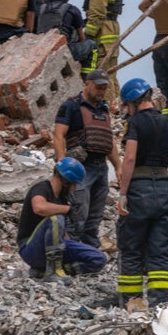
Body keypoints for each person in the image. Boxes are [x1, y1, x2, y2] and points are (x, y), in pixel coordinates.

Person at [116, 78, 168, 307]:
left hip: (138, 189)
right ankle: (159, 302)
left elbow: (129, 158)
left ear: (132, 102)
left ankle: (131, 301)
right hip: (163, 192)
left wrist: (123, 193)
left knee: (132, 248)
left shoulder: (135, 124)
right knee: (158, 251)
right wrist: (167, 178)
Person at [52, 69, 120, 249]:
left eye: (104, 88)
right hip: (80, 168)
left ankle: (89, 256)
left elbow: (108, 139)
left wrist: (118, 167)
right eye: (98, 87)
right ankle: (69, 253)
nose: (101, 91)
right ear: (87, 84)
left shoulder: (103, 108)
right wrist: (62, 164)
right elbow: (58, 135)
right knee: (77, 214)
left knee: (94, 217)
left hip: (101, 168)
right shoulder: (71, 106)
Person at [16, 157, 107, 283]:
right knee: (55, 218)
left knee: (98, 258)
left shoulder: (62, 198)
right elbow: (39, 207)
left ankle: (48, 270)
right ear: (66, 180)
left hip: (50, 249)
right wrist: (67, 209)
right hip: (30, 248)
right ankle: (52, 271)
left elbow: (60, 234)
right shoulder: (41, 188)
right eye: (74, 183)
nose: (74, 188)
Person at [81, 0, 123, 102]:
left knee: (102, 74)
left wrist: (87, 34)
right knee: (111, 73)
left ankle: (108, 107)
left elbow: (97, 12)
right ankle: (115, 106)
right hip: (111, 30)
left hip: (103, 33)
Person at [36, 0, 96, 69]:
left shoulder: (41, 9)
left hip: (42, 49)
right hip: (64, 50)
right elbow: (82, 38)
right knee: (92, 45)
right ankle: (86, 76)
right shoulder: (72, 10)